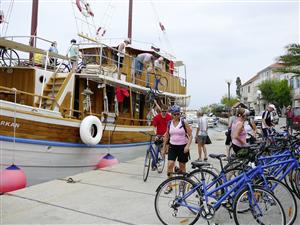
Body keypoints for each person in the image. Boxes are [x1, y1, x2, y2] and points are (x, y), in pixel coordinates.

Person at [162, 105, 192, 193]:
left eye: (178, 114)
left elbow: (190, 135)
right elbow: (167, 136)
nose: (176, 116)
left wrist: (187, 146)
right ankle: (169, 185)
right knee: (170, 164)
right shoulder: (169, 123)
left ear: (180, 114)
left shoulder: (184, 122)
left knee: (182, 166)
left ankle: (183, 183)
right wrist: (164, 148)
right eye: (174, 114)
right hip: (172, 146)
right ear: (171, 114)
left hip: (183, 147)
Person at [151, 104, 172, 170]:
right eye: (163, 111)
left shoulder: (169, 117)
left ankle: (161, 160)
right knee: (156, 150)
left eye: (165, 111)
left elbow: (169, 127)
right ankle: (154, 164)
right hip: (159, 135)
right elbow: (154, 127)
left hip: (166, 135)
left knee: (164, 151)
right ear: (161, 111)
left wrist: (165, 134)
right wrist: (156, 134)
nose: (164, 113)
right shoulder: (157, 117)